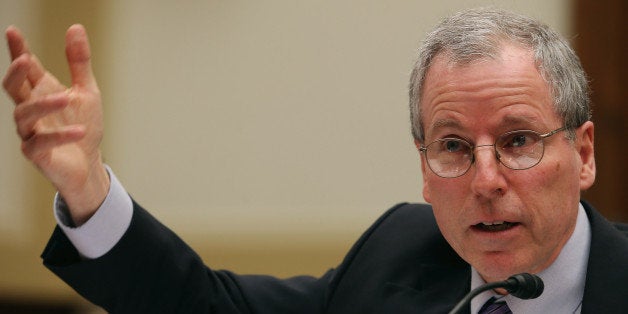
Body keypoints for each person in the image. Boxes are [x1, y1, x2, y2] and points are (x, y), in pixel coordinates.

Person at [3, 7, 627, 314]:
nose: (486, 181)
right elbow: (203, 306)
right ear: (423, 166)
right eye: (454, 148)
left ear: (584, 153)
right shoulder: (398, 258)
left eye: (519, 141)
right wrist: (88, 189)